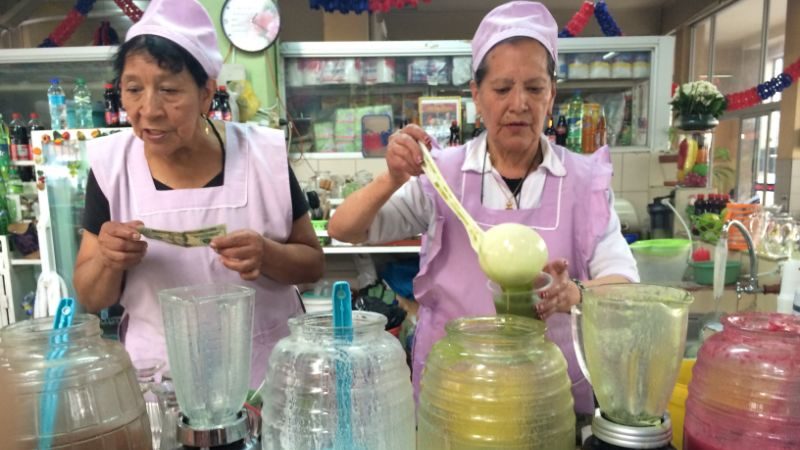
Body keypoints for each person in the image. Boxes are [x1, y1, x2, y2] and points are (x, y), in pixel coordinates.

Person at [328, 1, 639, 415]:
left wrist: (575, 293)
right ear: (476, 95)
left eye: (534, 88)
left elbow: (624, 282)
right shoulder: (442, 175)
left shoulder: (582, 182)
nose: (519, 104)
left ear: (552, 95)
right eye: (502, 88)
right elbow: (344, 229)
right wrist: (393, 178)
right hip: (458, 391)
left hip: (549, 396)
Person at [73, 0, 325, 388]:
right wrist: (109, 260)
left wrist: (268, 254)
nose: (149, 110)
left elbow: (311, 265)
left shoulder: (263, 157)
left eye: (169, 90)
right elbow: (91, 298)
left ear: (208, 93)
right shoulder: (111, 166)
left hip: (264, 378)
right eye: (133, 89)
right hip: (161, 381)